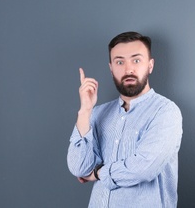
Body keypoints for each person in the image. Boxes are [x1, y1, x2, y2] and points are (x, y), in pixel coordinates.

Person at [67, 31, 183, 208]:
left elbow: (144, 168)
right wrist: (85, 110)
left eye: (136, 60)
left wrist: (98, 173)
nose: (128, 69)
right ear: (111, 67)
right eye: (120, 62)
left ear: (150, 65)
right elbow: (78, 167)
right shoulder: (98, 113)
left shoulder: (165, 112)